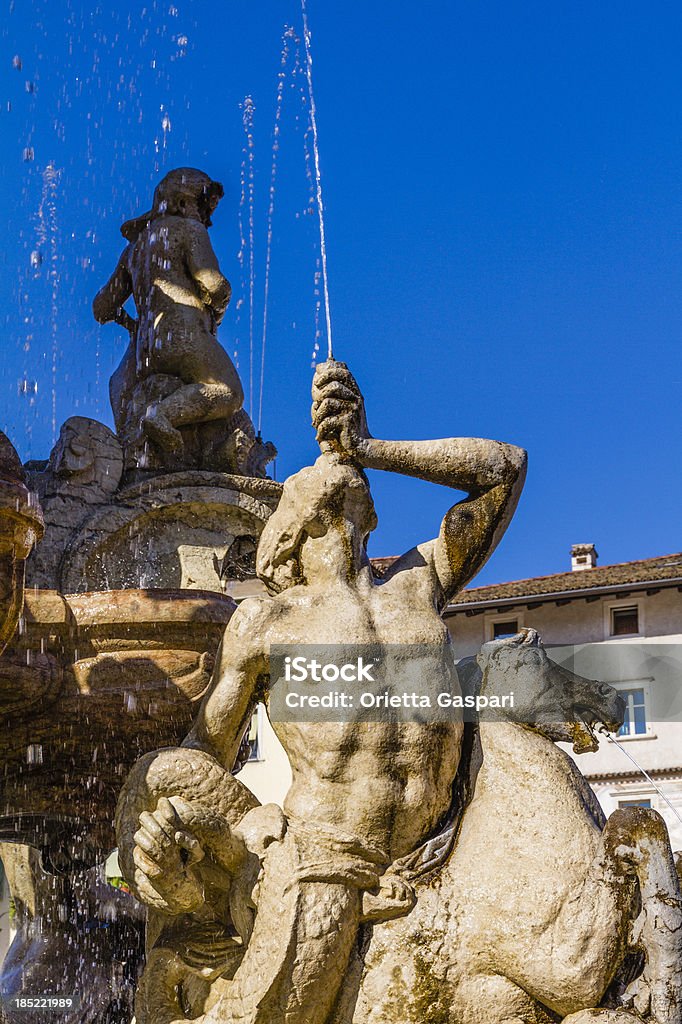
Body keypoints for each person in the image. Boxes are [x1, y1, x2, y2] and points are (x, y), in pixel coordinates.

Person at [126, 360, 527, 1024]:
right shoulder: (268, 623)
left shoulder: (417, 584)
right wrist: (232, 837)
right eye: (317, 478)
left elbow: (503, 471)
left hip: (452, 851)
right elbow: (202, 752)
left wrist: (370, 446)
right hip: (328, 863)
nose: (341, 473)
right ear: (291, 522)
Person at [93, 167, 243, 453]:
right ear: (183, 202)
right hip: (183, 335)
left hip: (142, 353)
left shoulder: (134, 249)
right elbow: (215, 285)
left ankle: (130, 448)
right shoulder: (189, 229)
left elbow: (101, 308)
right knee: (229, 391)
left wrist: (131, 325)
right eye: (203, 207)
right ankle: (163, 415)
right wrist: (217, 313)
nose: (206, 218)